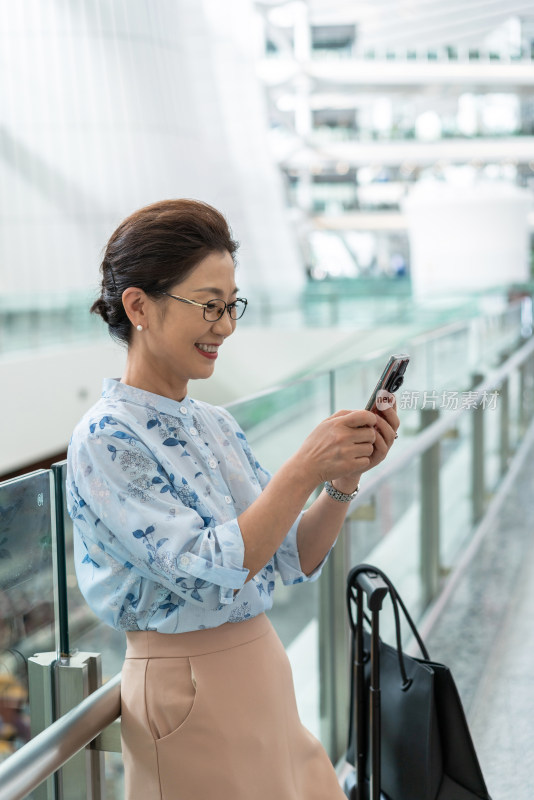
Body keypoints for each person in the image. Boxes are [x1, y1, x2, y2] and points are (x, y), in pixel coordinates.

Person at [66, 199, 399, 800]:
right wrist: (302, 468)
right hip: (186, 687)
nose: (226, 326)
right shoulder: (106, 437)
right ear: (138, 305)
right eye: (209, 305)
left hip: (260, 668)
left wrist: (343, 477)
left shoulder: (215, 423)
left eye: (231, 305)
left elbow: (291, 556)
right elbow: (209, 571)